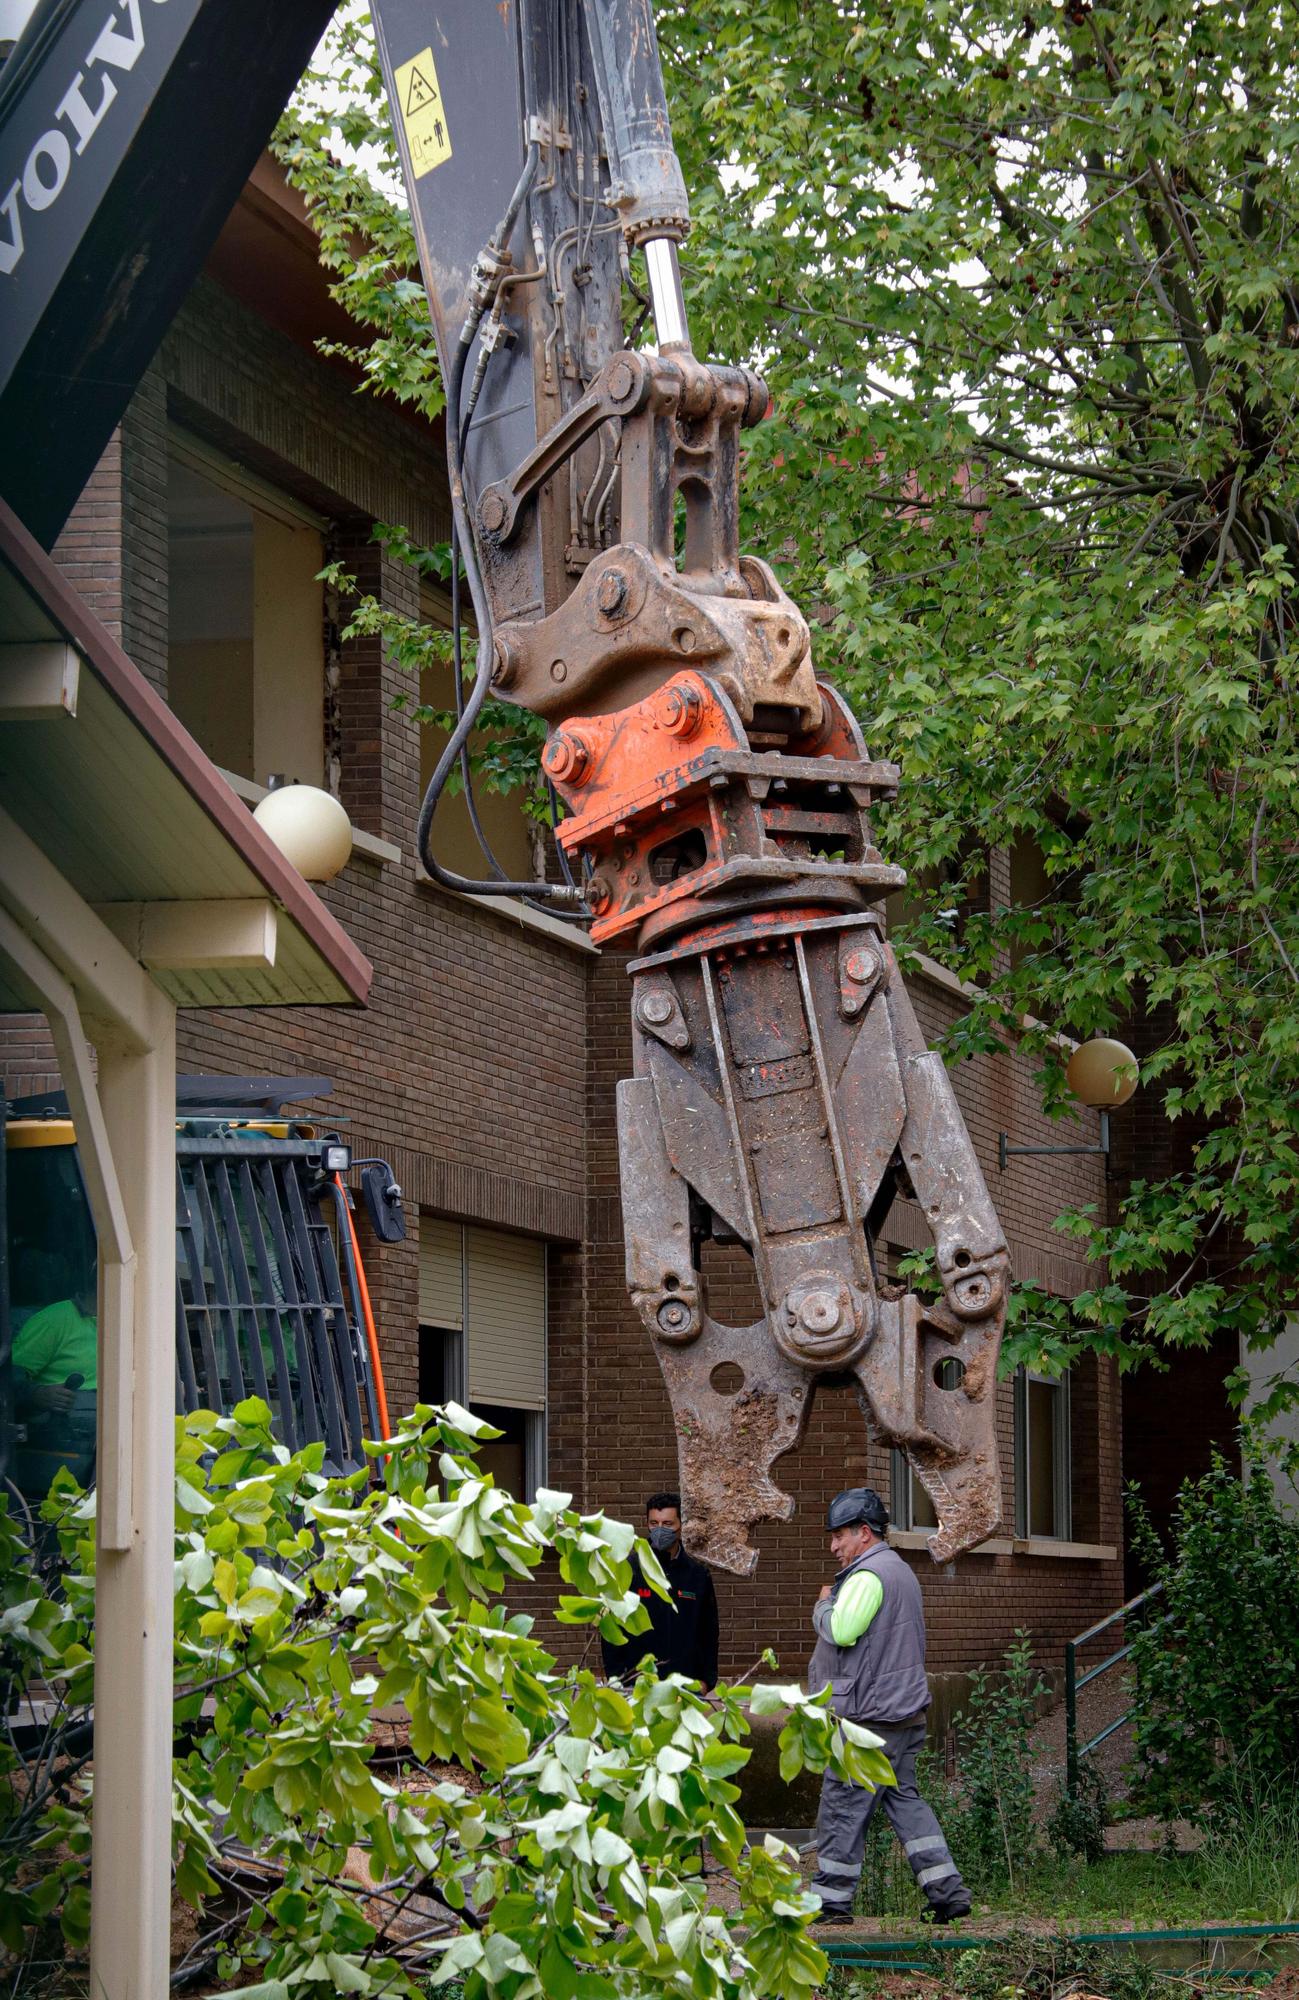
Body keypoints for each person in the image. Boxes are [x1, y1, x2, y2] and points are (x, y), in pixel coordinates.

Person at [809, 1486, 971, 1927]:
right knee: (906, 1803)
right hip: (902, 1716)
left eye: (840, 1536)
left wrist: (823, 1606)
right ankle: (948, 1893)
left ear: (864, 1532)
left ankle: (830, 1903)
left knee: (843, 1806)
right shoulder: (899, 1572)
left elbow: (842, 1631)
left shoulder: (867, 1576)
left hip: (867, 1719)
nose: (834, 1546)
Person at [601, 1490, 720, 1691]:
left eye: (667, 1524)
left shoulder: (698, 1576)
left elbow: (708, 1633)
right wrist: (616, 1678)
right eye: (654, 1524)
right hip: (637, 1683)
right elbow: (612, 1629)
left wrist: (706, 1680)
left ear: (681, 1525)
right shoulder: (628, 1570)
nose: (659, 1530)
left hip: (685, 1685)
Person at [12, 1284, 99, 1496]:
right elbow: (8, 1377)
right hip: (59, 1450)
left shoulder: (134, 1321)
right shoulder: (54, 1320)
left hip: (111, 1447)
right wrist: (37, 1395)